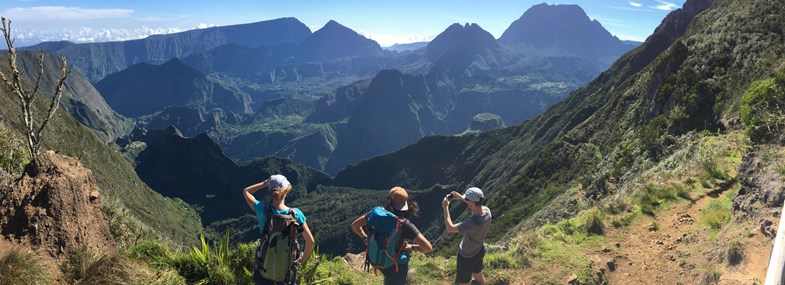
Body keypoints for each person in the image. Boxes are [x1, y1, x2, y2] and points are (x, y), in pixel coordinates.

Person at [351, 187, 433, 285]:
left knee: (389, 279)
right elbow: (427, 248)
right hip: (396, 266)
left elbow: (355, 226)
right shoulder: (404, 224)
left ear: (389, 200)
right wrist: (412, 247)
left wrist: (365, 238)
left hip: (379, 260)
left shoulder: (374, 214)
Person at [243, 174, 315, 285]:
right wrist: (298, 263)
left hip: (263, 271)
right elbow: (310, 242)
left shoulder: (262, 210)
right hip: (286, 273)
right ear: (286, 191)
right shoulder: (296, 214)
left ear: (271, 192)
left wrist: (265, 183)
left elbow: (246, 191)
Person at [442, 187, 492, 285]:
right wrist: (460, 197)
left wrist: (445, 207)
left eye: (467, 200)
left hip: (466, 256)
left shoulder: (473, 222)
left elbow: (450, 228)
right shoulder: (487, 212)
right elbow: (475, 205)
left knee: (464, 282)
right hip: (479, 250)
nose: (467, 201)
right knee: (478, 274)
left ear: (472, 203)